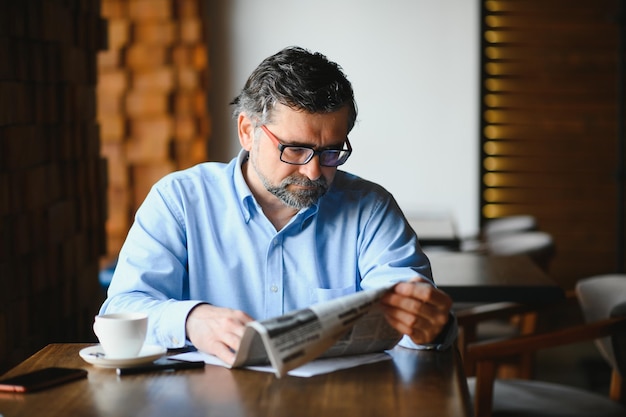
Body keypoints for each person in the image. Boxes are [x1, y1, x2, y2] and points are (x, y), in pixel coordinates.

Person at [100, 46, 456, 365]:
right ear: (246, 131)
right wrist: (192, 320)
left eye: (331, 151)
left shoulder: (370, 208)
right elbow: (121, 308)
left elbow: (412, 312)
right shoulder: (179, 201)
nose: (314, 171)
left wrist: (429, 327)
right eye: (295, 149)